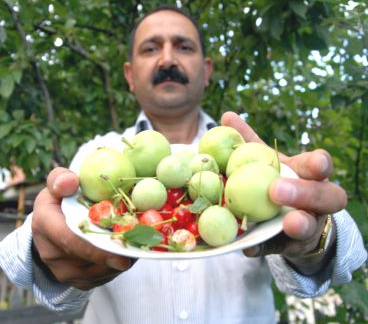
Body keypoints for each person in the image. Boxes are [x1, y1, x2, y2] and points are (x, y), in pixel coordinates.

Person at [0, 5, 366, 324]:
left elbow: (341, 259)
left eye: (183, 46)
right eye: (151, 48)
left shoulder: (251, 159)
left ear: (206, 70)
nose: (167, 59)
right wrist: (47, 255)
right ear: (129, 74)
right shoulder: (100, 157)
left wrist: (318, 239)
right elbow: (18, 257)